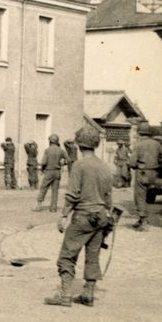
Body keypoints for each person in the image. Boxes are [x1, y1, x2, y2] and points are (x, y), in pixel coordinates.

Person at [44, 126, 112, 307]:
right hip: (101, 216)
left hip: (83, 216)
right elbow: (108, 197)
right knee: (93, 255)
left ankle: (65, 295)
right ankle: (88, 294)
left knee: (67, 255)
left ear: (80, 144)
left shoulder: (79, 166)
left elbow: (73, 194)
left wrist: (64, 215)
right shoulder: (104, 166)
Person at [129, 122, 162, 231]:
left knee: (140, 196)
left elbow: (132, 162)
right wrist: (158, 164)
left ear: (139, 133)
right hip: (154, 173)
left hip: (142, 172)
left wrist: (136, 165)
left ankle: (143, 220)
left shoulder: (138, 144)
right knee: (147, 195)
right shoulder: (157, 144)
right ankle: (141, 220)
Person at [36, 134, 69, 212]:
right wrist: (63, 163)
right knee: (55, 190)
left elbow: (43, 162)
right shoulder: (61, 150)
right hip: (57, 172)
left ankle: (38, 206)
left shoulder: (47, 150)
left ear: (50, 141)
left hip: (49, 171)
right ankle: (53, 208)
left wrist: (42, 169)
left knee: (43, 188)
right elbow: (68, 160)